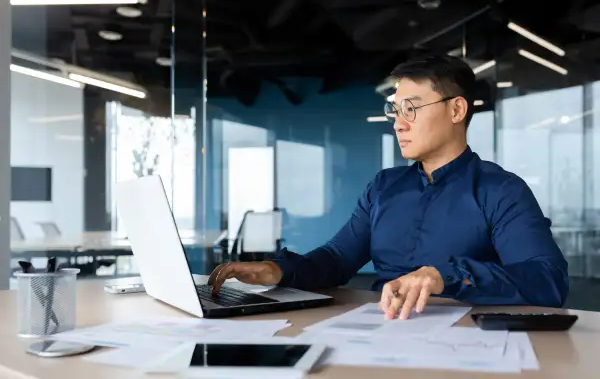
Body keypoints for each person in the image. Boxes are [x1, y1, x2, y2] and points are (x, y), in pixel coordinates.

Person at [208, 54, 569, 320]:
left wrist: (445, 275)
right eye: (394, 110)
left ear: (457, 110)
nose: (398, 124)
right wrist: (277, 270)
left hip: (465, 342)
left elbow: (547, 280)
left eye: (410, 109)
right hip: (378, 330)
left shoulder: (501, 190)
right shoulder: (384, 186)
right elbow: (336, 259)